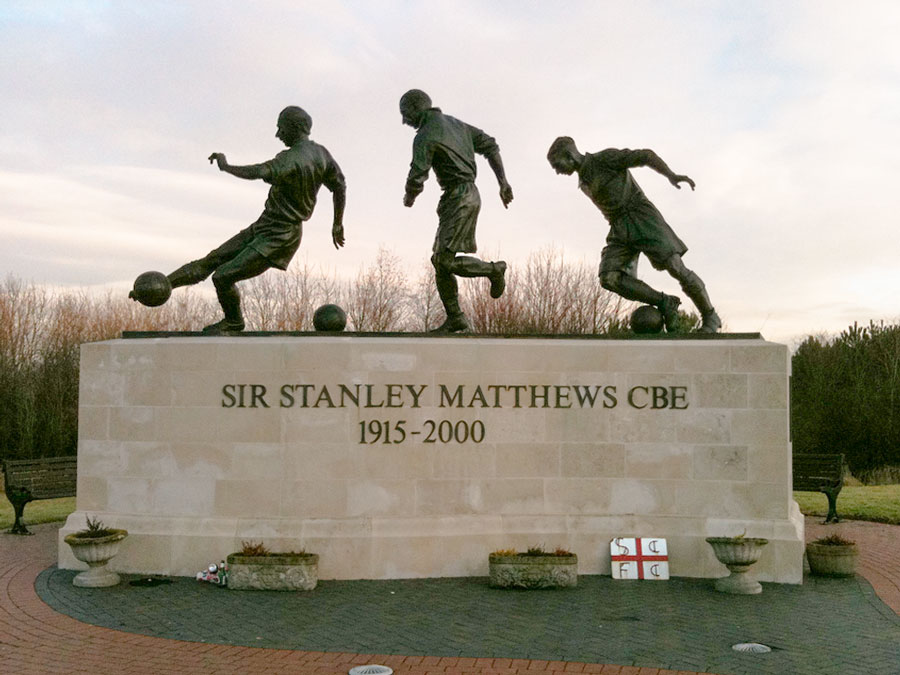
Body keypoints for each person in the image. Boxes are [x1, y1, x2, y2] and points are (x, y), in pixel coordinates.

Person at [133, 106, 346, 334]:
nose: (278, 134)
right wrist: (337, 223)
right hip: (264, 226)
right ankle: (167, 283)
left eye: (281, 128)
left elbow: (259, 171)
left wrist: (226, 167)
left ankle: (234, 322)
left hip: (280, 237)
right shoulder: (322, 154)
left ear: (294, 128)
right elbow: (339, 186)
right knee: (213, 259)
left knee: (223, 277)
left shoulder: (290, 160)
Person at [547, 136, 721, 333]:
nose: (557, 171)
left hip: (641, 216)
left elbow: (645, 156)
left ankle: (710, 316)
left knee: (675, 266)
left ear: (569, 155)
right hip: (619, 227)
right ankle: (665, 302)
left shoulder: (604, 159)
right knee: (609, 277)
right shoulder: (583, 181)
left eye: (557, 165)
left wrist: (671, 175)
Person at [400, 89, 512, 333]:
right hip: (462, 196)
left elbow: (418, 173)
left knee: (444, 260)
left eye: (405, 114)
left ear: (415, 108)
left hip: (460, 196)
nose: (404, 121)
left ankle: (494, 270)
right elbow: (490, 145)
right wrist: (502, 182)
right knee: (440, 262)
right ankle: (456, 318)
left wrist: (410, 196)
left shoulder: (426, 135)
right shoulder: (458, 125)